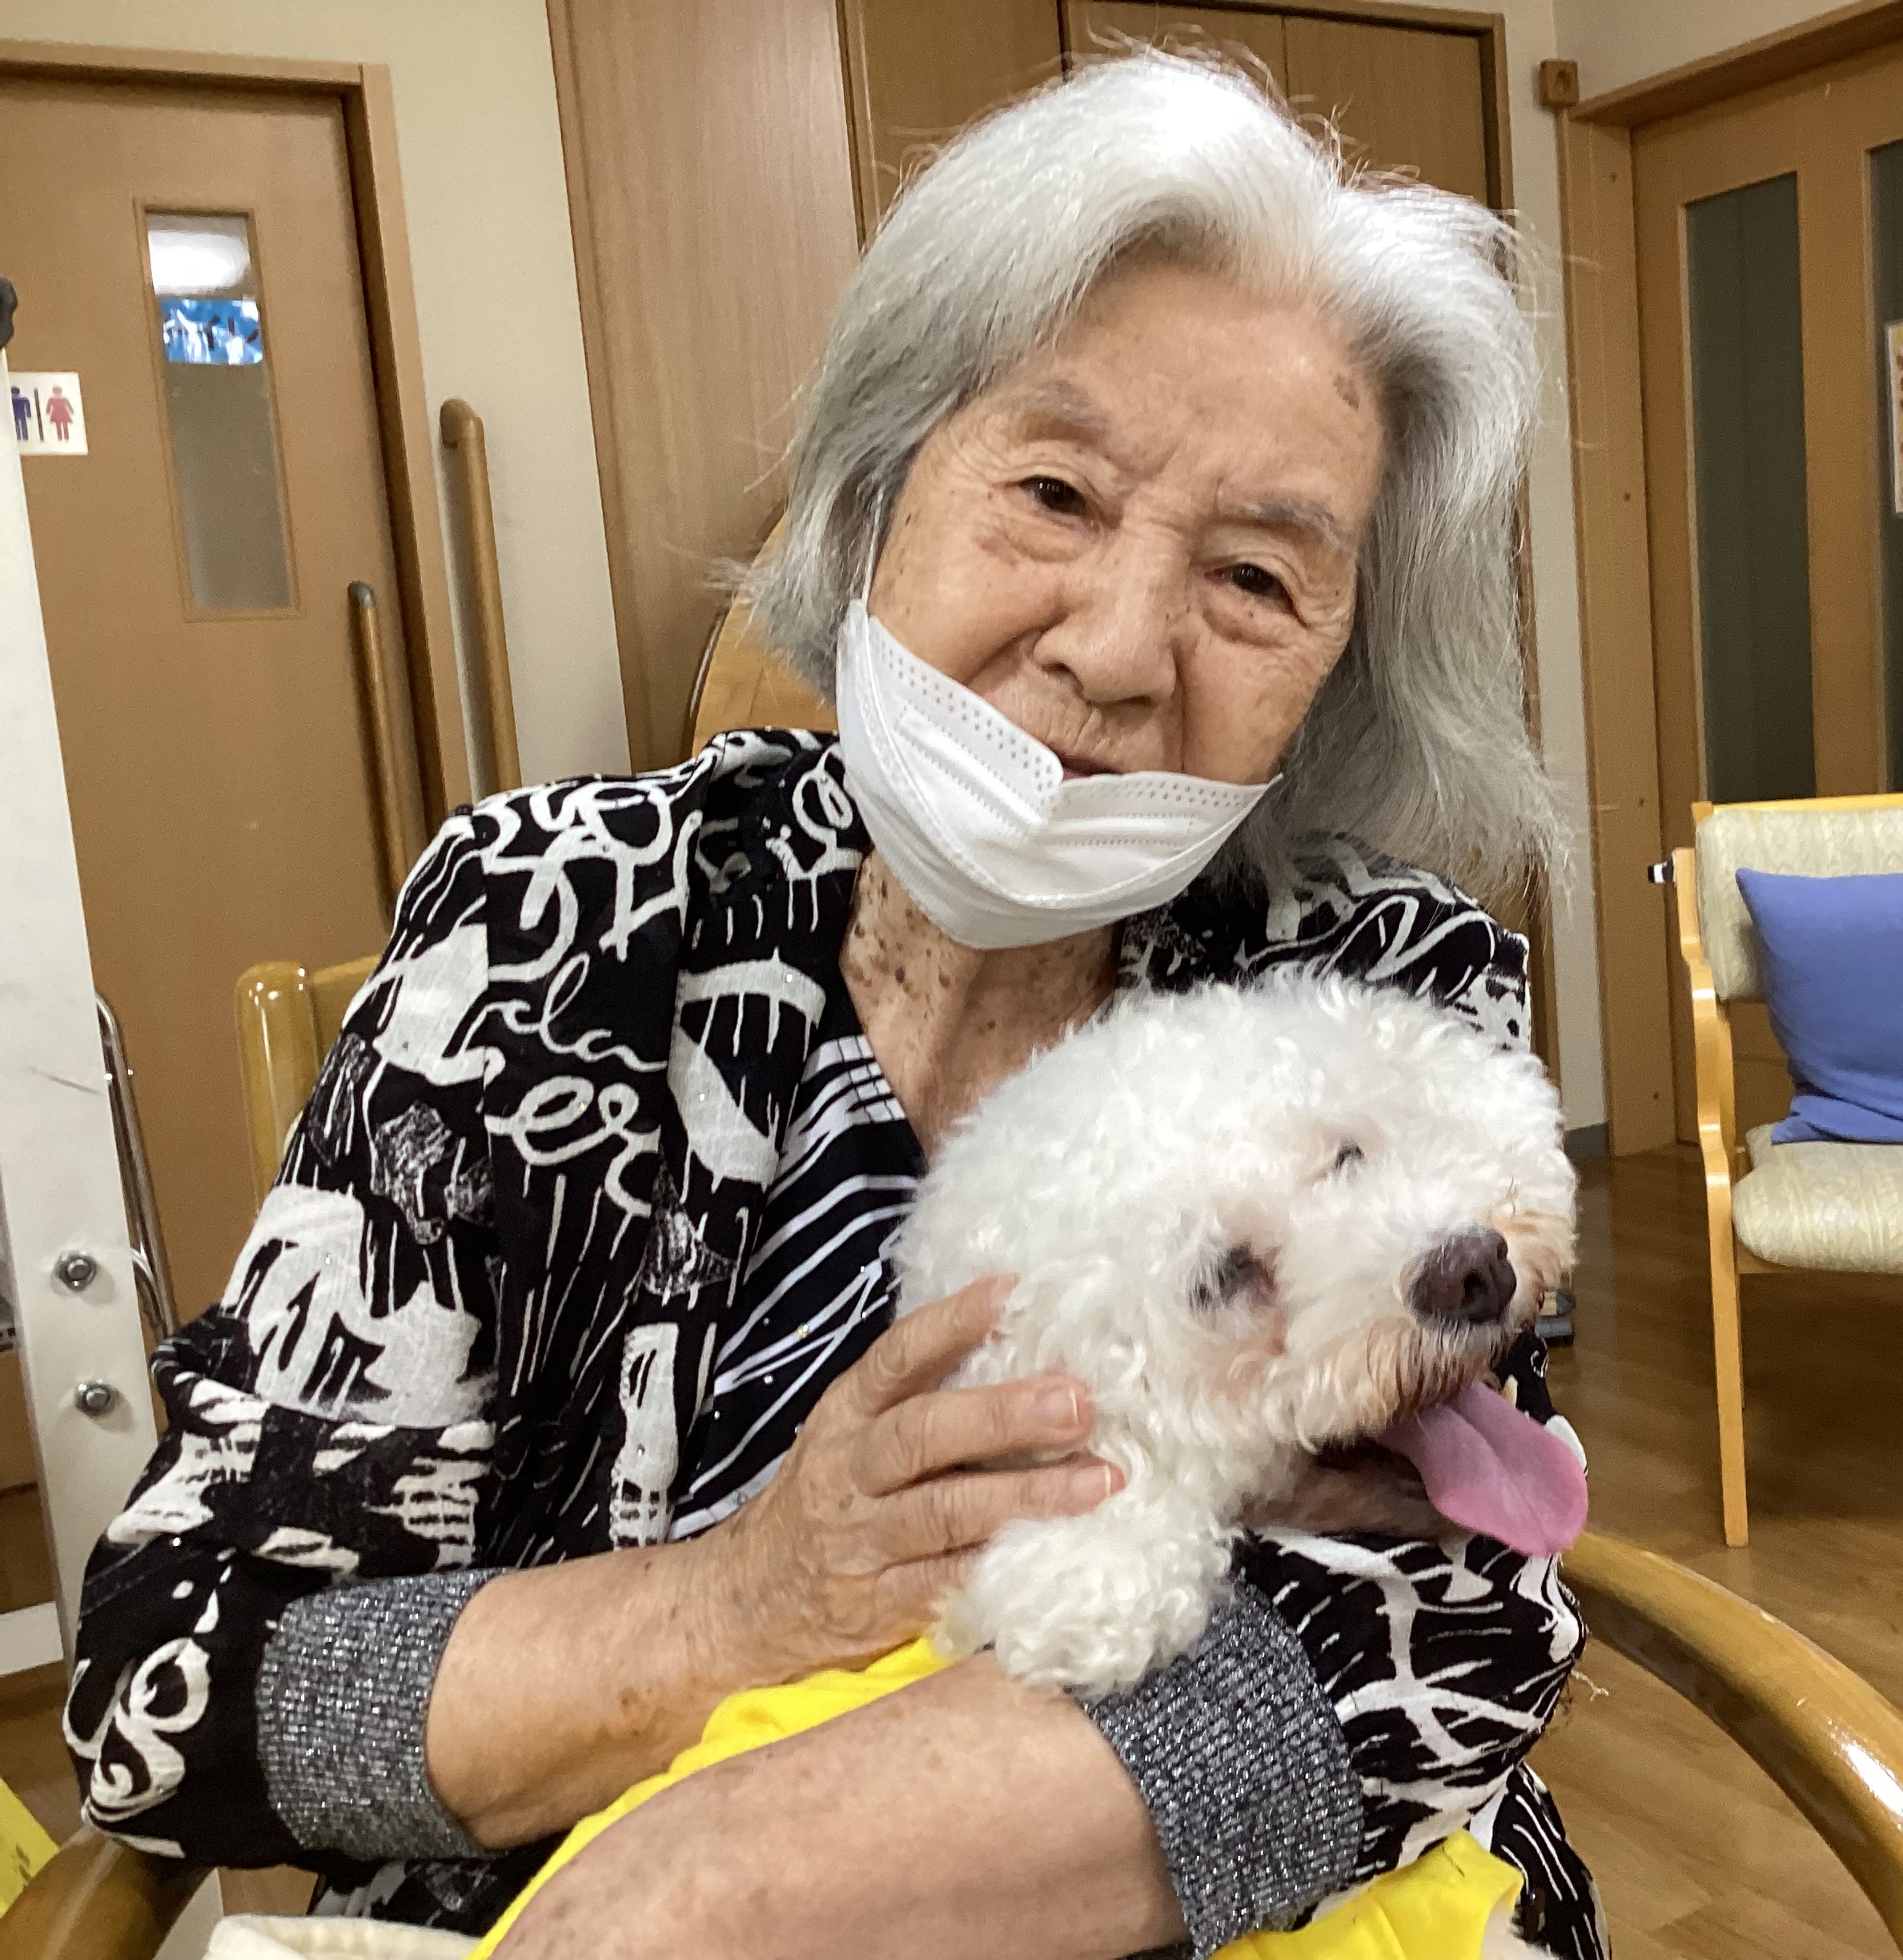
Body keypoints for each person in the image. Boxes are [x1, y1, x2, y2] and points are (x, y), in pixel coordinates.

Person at [66, 50, 1593, 1960]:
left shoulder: (1378, 968)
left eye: (1258, 579)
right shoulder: (549, 926)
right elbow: (184, 1666)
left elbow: (1451, 1624)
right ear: (875, 496)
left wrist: (704, 1881)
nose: (1118, 652)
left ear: (1340, 666)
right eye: (1053, 488)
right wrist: (742, 1610)